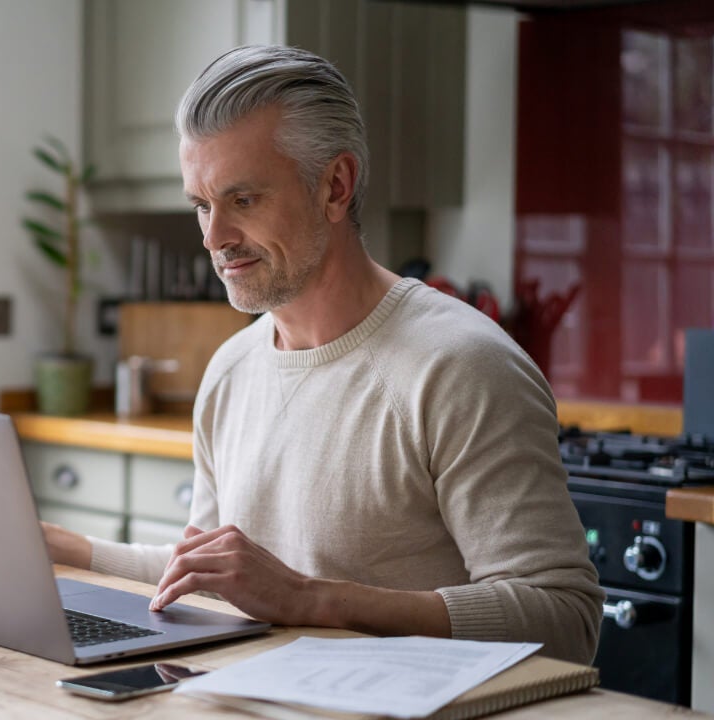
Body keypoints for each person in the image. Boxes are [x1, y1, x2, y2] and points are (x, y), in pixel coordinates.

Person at [43, 44, 603, 664]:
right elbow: (210, 571)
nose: (213, 237)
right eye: (202, 205)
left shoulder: (462, 366)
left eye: (243, 200)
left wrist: (318, 600)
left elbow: (566, 620)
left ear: (335, 186)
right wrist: (63, 549)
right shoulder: (230, 370)